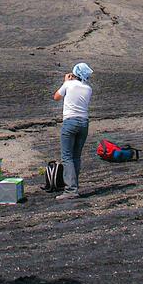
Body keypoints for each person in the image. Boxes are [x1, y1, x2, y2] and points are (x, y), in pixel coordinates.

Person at [53, 62, 93, 200]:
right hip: (84, 122)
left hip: (70, 121)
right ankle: (74, 187)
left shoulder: (69, 85)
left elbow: (56, 97)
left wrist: (65, 82)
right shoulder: (88, 88)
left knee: (67, 156)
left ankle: (71, 190)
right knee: (76, 156)